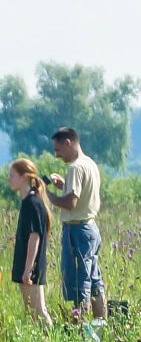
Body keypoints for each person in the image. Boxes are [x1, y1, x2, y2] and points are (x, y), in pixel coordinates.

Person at [43, 127, 103, 322]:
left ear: (68, 143)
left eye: (58, 149)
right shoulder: (90, 163)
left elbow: (71, 203)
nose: (57, 155)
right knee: (95, 283)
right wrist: (64, 186)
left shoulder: (75, 168)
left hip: (77, 231)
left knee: (79, 285)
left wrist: (47, 194)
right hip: (90, 229)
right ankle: (100, 326)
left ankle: (80, 329)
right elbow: (82, 194)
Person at [9, 159, 49, 325]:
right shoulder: (28, 201)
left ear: (24, 177)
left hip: (30, 268)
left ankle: (52, 339)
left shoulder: (33, 203)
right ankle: (43, 340)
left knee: (39, 312)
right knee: (31, 313)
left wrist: (28, 270)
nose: (9, 179)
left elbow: (34, 237)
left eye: (12, 175)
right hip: (25, 266)